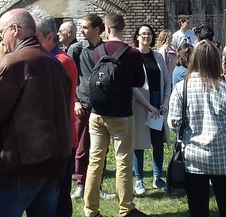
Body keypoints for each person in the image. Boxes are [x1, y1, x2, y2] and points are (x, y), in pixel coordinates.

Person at [0, 9, 72, 216]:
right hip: (53, 162)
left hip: (21, 164)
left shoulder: (15, 62)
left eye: (1, 33)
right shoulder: (56, 63)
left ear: (15, 30)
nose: (1, 40)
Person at [168, 40, 226, 216]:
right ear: (216, 61)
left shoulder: (182, 88)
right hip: (223, 157)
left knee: (198, 208)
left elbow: (174, 122)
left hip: (193, 158)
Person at [83, 12, 147, 217]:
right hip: (121, 113)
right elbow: (139, 81)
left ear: (107, 29)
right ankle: (125, 208)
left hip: (97, 113)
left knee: (95, 161)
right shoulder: (132, 53)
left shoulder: (97, 51)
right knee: (123, 161)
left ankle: (91, 210)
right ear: (123, 28)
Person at [31, 9, 79, 217]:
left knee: (59, 197)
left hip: (60, 140)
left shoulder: (61, 61)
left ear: (50, 37)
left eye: (35, 38)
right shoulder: (46, 59)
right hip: (49, 139)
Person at [68, 14, 114, 201]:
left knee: (101, 149)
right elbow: (70, 78)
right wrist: (76, 101)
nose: (82, 30)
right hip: (83, 105)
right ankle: (80, 185)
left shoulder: (106, 50)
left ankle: (98, 186)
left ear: (97, 29)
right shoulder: (76, 49)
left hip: (102, 107)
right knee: (81, 148)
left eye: (85, 27)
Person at [131, 24, 171, 195]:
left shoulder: (157, 56)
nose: (146, 37)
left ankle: (157, 177)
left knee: (157, 142)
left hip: (158, 102)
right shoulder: (132, 57)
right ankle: (139, 180)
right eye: (143, 34)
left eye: (149, 34)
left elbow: (167, 81)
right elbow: (132, 85)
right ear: (137, 37)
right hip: (140, 103)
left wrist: (165, 101)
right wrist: (149, 106)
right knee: (138, 143)